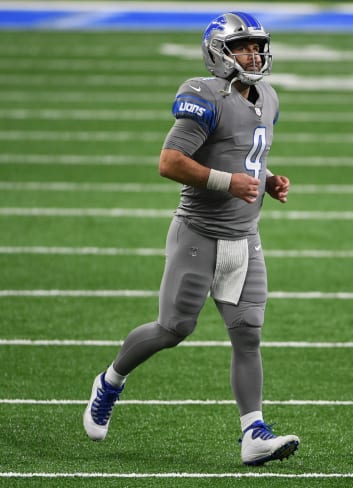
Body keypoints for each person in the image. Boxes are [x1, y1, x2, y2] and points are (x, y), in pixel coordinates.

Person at [82, 11, 299, 466]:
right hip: (199, 235)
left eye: (257, 45)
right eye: (243, 46)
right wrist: (227, 182)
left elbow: (245, 157)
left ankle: (252, 432)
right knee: (172, 330)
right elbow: (170, 161)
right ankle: (110, 381)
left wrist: (269, 181)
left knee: (248, 335)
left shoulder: (269, 97)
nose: (254, 54)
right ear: (218, 52)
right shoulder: (204, 94)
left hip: (246, 238)